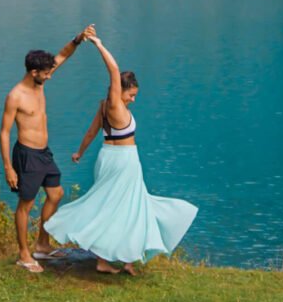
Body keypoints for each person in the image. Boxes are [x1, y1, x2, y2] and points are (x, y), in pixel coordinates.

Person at [46, 33, 197, 274]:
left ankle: (122, 260)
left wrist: (80, 153)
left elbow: (91, 133)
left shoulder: (104, 106)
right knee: (129, 209)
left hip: (106, 158)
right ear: (120, 91)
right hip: (124, 161)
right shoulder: (115, 104)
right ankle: (109, 261)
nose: (133, 100)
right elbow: (114, 71)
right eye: (131, 95)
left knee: (117, 208)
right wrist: (99, 45)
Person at [0, 25, 95, 273]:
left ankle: (42, 245)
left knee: (56, 195)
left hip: (44, 153)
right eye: (46, 73)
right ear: (34, 72)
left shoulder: (40, 83)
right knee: (26, 205)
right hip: (27, 155)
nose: (50, 76)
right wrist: (9, 168)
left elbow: (62, 56)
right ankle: (24, 254)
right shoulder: (15, 96)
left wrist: (79, 39)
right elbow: (4, 133)